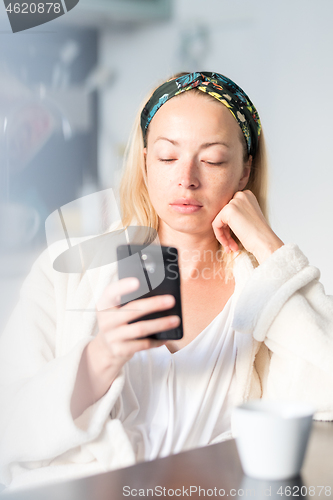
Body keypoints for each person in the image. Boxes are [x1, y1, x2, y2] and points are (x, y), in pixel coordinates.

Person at [1, 71, 333, 492]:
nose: (187, 179)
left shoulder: (267, 288)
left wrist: (271, 250)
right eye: (166, 157)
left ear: (245, 172)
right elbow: (7, 427)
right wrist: (100, 357)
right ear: (143, 163)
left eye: (212, 160)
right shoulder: (66, 273)